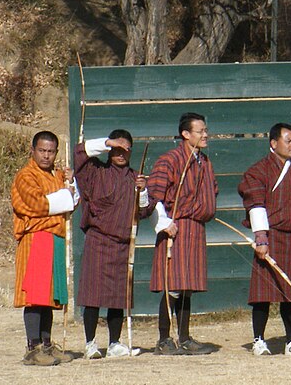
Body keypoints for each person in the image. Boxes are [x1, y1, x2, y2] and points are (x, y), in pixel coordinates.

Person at [238, 123, 291, 356]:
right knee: (263, 293)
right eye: (288, 140)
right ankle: (258, 340)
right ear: (274, 143)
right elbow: (255, 203)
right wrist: (261, 238)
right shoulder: (259, 171)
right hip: (271, 240)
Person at [75, 130, 153, 359]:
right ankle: (90, 343)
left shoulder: (135, 178)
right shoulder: (95, 171)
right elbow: (80, 154)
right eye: (115, 149)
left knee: (118, 296)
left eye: (124, 149)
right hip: (98, 240)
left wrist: (143, 191)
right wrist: (107, 142)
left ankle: (115, 343)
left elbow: (144, 211)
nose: (120, 153)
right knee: (93, 294)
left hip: (122, 243)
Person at [148, 112, 217, 356]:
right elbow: (153, 195)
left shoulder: (203, 161)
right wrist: (164, 222)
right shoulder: (169, 160)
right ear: (185, 134)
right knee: (174, 285)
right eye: (200, 131)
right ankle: (164, 339)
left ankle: (185, 338)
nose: (205, 135)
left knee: (187, 285)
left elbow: (211, 193)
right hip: (176, 228)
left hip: (196, 228)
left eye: (205, 130)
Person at [11, 131, 79, 366]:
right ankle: (33, 347)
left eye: (51, 152)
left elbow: (69, 204)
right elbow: (36, 205)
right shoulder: (26, 176)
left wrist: (69, 186)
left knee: (50, 295)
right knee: (35, 295)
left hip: (54, 237)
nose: (46, 156)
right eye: (42, 150)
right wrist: (63, 198)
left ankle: (47, 344)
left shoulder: (57, 176)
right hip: (36, 238)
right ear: (33, 150)